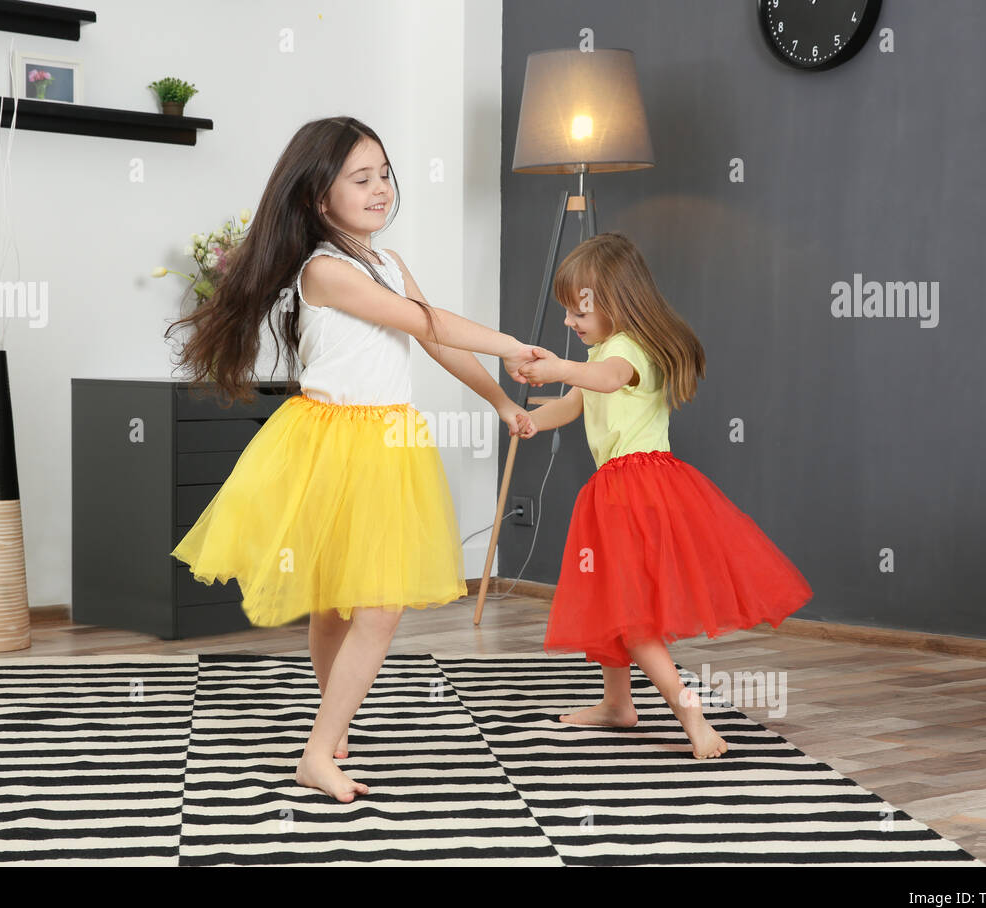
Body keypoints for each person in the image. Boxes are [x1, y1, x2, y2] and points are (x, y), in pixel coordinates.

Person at [166, 116, 538, 801]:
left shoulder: (387, 263)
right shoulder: (326, 271)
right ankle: (318, 749)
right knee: (373, 607)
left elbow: (434, 340)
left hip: (387, 443)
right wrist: (512, 344)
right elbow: (426, 322)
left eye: (385, 175)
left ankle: (331, 730)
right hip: (333, 441)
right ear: (318, 198)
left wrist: (500, 401)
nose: (379, 189)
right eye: (360, 179)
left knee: (341, 605)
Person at [514, 233, 813, 758]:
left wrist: (558, 367)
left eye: (577, 311)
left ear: (616, 302)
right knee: (615, 601)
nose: (568, 322)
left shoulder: (627, 351)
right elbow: (572, 404)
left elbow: (606, 381)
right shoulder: (604, 349)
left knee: (635, 619)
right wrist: (527, 420)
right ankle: (617, 704)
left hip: (635, 491)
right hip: (618, 490)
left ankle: (692, 716)